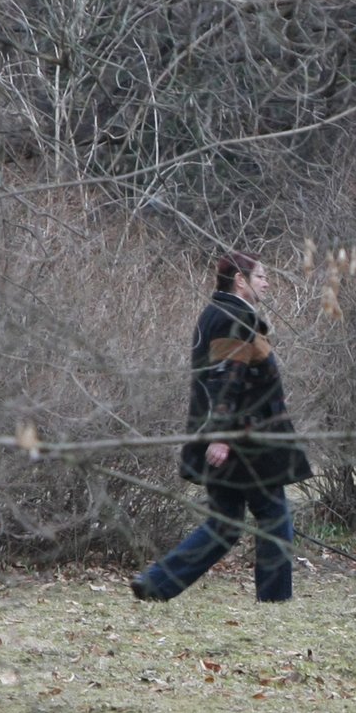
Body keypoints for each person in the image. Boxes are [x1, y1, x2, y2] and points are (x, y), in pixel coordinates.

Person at [131, 252, 312, 603]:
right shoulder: (234, 318)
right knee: (274, 516)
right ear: (239, 280)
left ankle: (156, 584)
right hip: (247, 442)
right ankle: (275, 600)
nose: (267, 282)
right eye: (261, 276)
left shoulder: (218, 314)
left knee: (226, 524)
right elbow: (227, 380)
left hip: (232, 438)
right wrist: (222, 437)